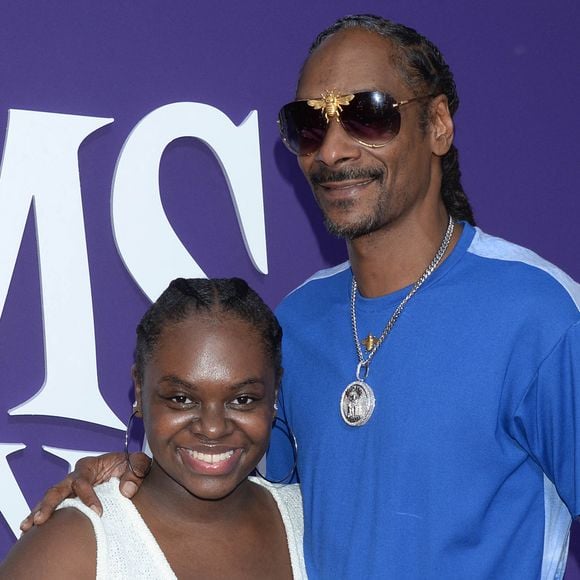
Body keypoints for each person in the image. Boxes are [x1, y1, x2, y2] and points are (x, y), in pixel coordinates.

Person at [19, 14, 579, 579]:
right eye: (309, 125)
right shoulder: (299, 318)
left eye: (368, 115)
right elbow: (236, 479)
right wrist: (131, 483)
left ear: (437, 124)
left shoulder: (541, 314)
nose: (332, 150)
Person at [3, 278, 306, 579]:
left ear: (275, 392)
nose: (213, 428)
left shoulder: (312, 523)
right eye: (181, 398)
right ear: (139, 390)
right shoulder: (73, 548)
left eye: (242, 399)